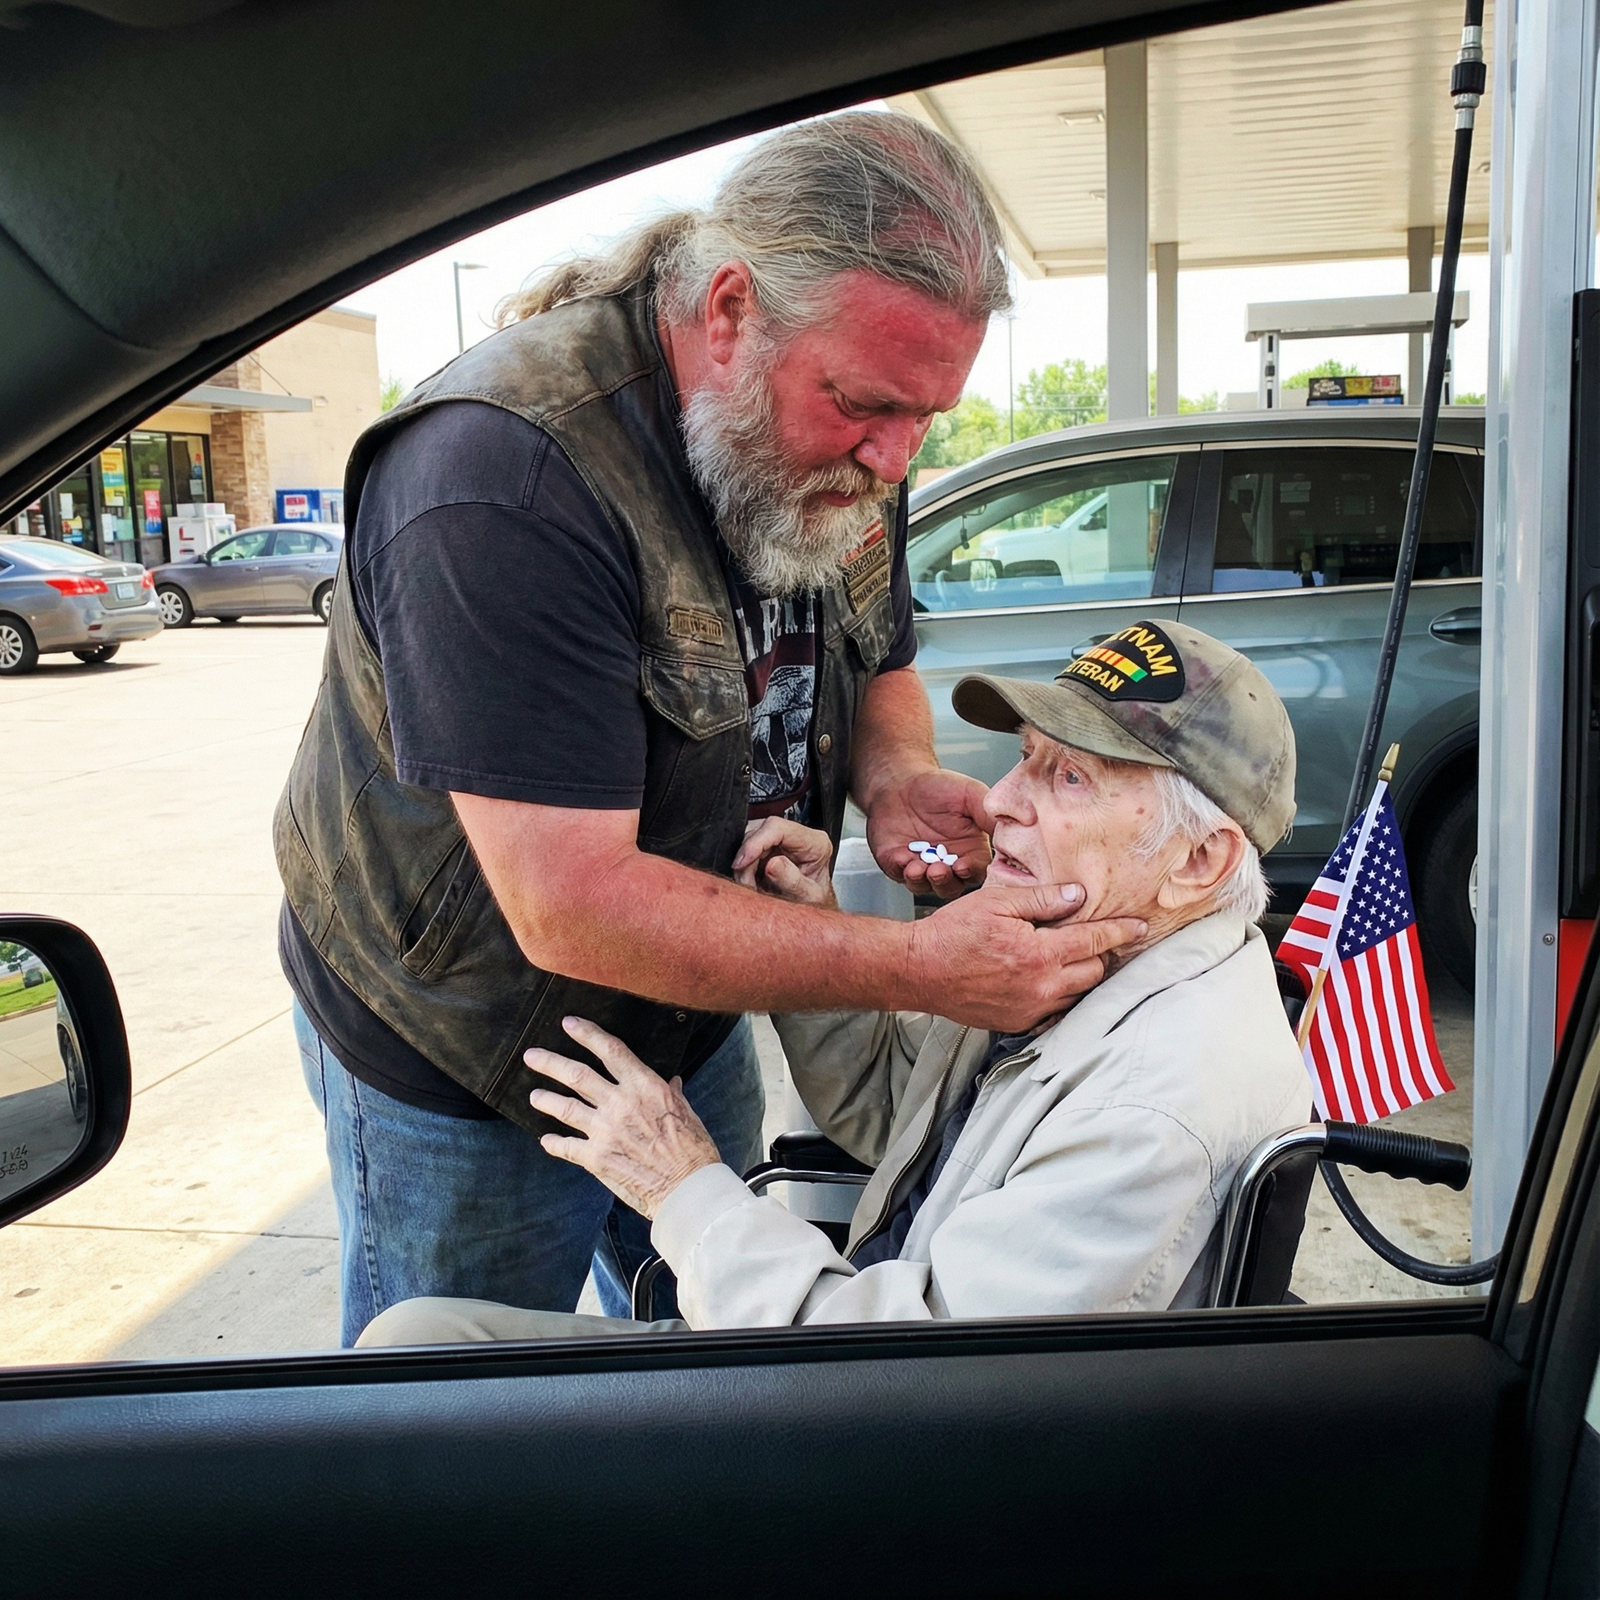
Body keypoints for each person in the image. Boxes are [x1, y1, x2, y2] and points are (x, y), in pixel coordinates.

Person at [277, 110, 1145, 1345]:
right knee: (458, 1431)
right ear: (729, 310)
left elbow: (878, 646)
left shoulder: (850, 435)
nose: (894, 458)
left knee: (711, 1360)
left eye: (926, 418)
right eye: (863, 404)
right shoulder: (502, 478)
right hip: (468, 1053)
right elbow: (567, 904)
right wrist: (922, 970)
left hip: (690, 1003)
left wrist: (898, 780)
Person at [358, 620, 1314, 1345]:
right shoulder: (1090, 948)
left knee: (415, 1372)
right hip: (848, 1340)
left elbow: (910, 1384)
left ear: (1198, 860)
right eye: (1026, 761)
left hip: (857, 1441)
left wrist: (682, 1186)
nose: (998, 802)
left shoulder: (1156, 1105)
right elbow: (903, 1112)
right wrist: (809, 925)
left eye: (1071, 782)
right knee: (414, 1351)